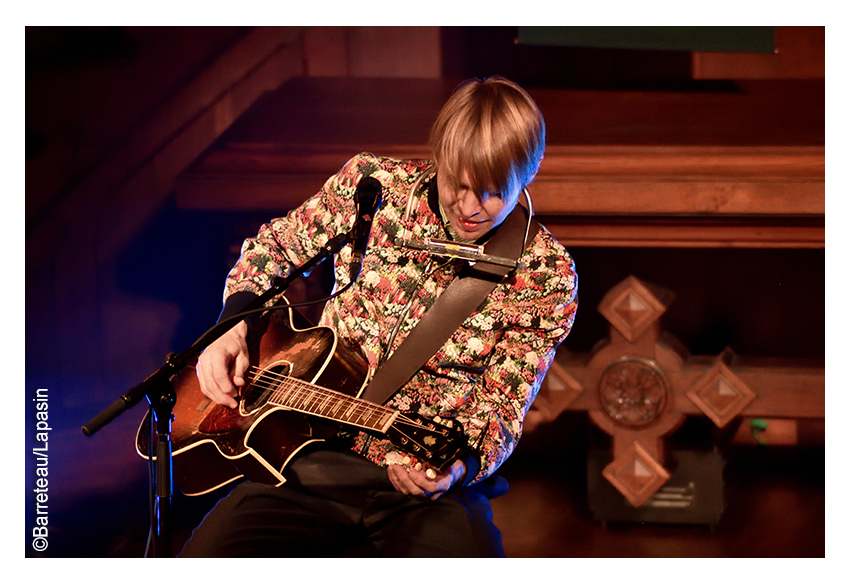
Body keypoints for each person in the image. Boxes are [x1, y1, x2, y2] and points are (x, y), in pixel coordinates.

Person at [180, 75, 578, 557]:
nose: (471, 208)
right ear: (441, 158)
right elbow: (276, 246)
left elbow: (502, 405)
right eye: (459, 184)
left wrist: (458, 467)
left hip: (420, 484)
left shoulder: (545, 272)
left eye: (494, 193)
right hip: (301, 457)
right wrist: (232, 327)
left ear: (528, 173)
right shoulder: (374, 187)